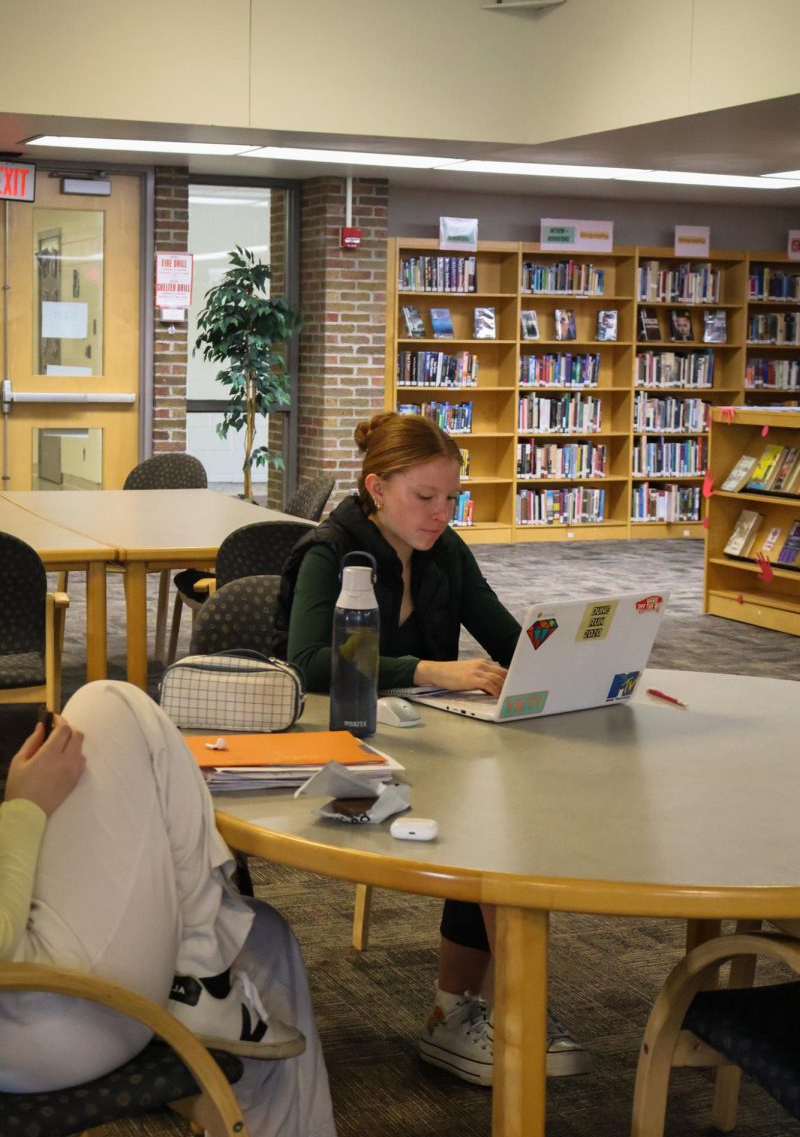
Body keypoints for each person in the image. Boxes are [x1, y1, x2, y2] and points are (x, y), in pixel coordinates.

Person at [277, 411, 590, 1087]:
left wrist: (580, 665)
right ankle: (501, 1010)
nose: (441, 512)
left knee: (503, 812)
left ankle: (465, 1012)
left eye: (453, 498)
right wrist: (426, 668)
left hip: (423, 741)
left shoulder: (446, 551)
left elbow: (509, 640)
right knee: (490, 825)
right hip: (332, 753)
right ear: (377, 488)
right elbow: (307, 662)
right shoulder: (330, 551)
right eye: (425, 496)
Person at [0, 680, 336, 1137]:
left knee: (262, 937)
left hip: (28, 1005)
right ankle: (202, 979)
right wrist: (24, 806)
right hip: (35, 1021)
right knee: (109, 704)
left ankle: (206, 980)